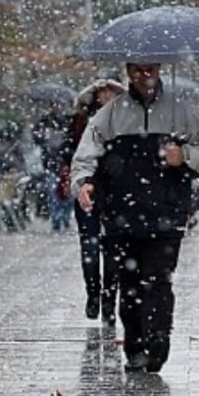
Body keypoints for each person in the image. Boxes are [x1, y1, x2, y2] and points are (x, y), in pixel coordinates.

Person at [71, 62, 199, 373]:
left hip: (167, 213)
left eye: (148, 69)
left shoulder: (182, 113)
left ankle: (158, 343)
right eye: (135, 69)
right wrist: (83, 182)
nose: (142, 75)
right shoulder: (110, 114)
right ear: (127, 70)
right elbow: (86, 154)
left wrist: (184, 157)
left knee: (159, 282)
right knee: (129, 282)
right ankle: (135, 346)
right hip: (121, 214)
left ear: (160, 68)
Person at [64, 76, 126, 324]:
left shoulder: (126, 120)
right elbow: (71, 152)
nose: (107, 96)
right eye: (103, 91)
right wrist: (82, 180)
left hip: (117, 192)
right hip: (88, 187)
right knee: (89, 245)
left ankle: (110, 297)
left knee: (112, 248)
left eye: (111, 91)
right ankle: (93, 293)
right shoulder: (81, 121)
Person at [32, 102, 73, 231]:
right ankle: (56, 219)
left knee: (66, 193)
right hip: (50, 163)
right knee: (52, 193)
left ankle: (64, 217)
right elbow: (36, 137)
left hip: (65, 163)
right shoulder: (44, 121)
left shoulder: (67, 121)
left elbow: (72, 139)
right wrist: (42, 136)